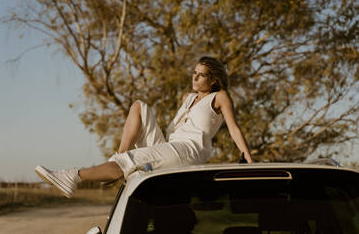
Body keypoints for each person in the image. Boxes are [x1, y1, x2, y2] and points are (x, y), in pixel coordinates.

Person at [35, 56, 253, 198]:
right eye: (194, 72)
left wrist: (248, 159)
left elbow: (234, 129)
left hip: (189, 151)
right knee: (139, 107)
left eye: (201, 74)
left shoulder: (220, 97)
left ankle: (73, 176)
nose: (195, 77)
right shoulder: (188, 97)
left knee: (126, 162)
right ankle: (119, 158)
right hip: (171, 146)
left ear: (214, 80)